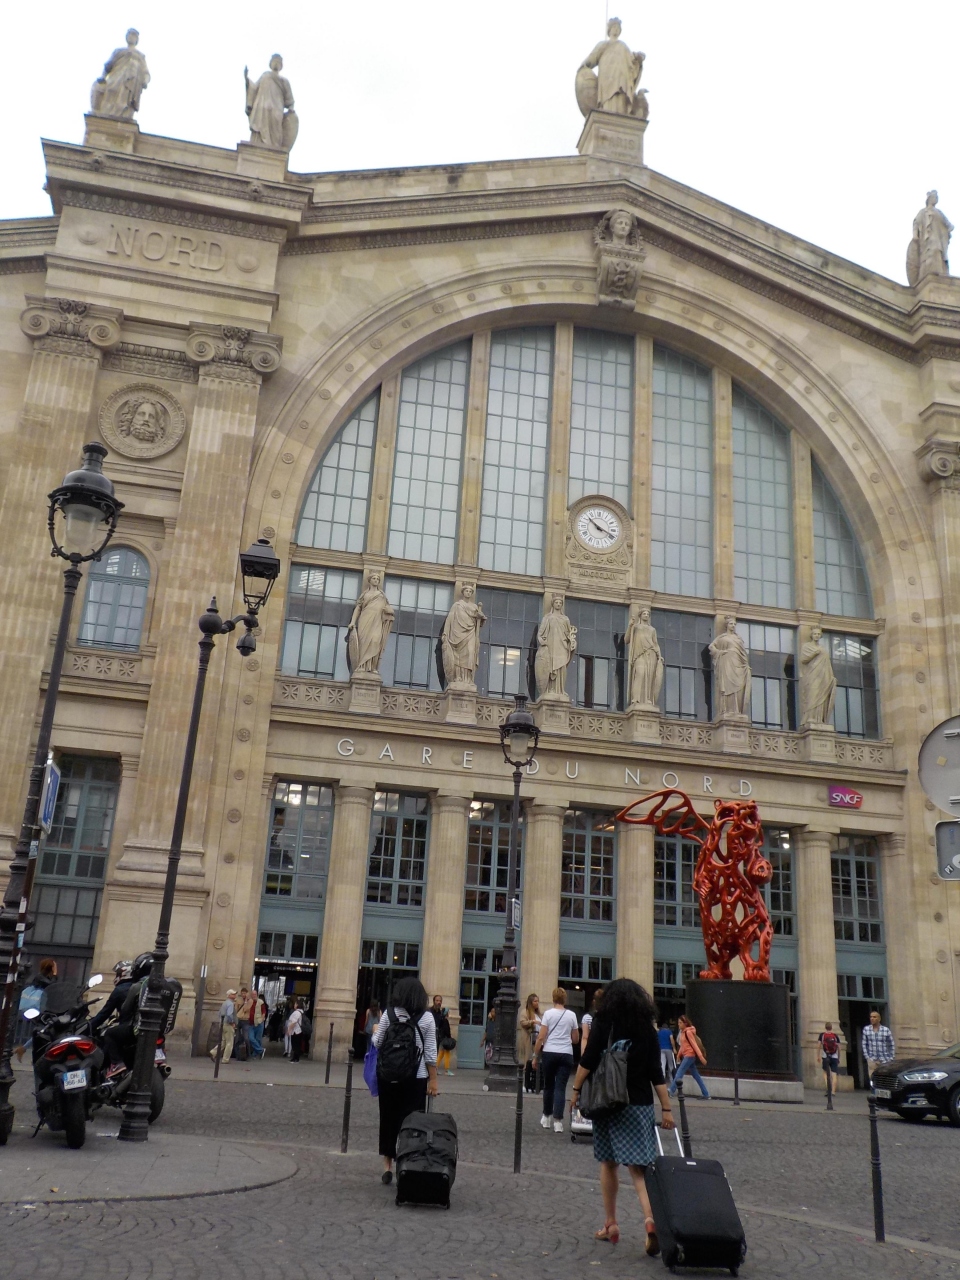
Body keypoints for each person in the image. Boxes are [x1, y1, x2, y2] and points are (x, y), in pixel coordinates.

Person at [571, 978, 675, 1256]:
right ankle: (651, 1221)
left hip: (609, 1102)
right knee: (638, 1170)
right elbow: (656, 1073)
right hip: (639, 1104)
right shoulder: (647, 1029)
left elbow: (588, 1060)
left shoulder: (604, 1022)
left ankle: (611, 1223)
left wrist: (576, 1090)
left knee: (608, 1163)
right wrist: (666, 1109)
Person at [372, 976, 438, 1185]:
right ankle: (407, 1163)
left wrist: (375, 1032)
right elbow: (430, 1052)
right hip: (416, 1077)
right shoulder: (427, 1018)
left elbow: (378, 1043)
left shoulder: (389, 1014)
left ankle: (387, 1166)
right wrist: (433, 1081)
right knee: (412, 1123)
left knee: (388, 1119)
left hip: (389, 1076)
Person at [532, 988, 579, 1133]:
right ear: (565, 999)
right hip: (566, 1053)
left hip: (550, 1052)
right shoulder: (571, 1015)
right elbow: (576, 1039)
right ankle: (558, 1122)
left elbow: (541, 1037)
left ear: (553, 998)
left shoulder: (548, 1014)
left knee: (549, 1086)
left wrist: (535, 1056)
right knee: (560, 1087)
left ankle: (546, 1117)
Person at [14, 958, 58, 1062]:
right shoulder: (40, 977)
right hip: (36, 1009)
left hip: (43, 1008)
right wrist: (55, 974)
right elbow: (53, 986)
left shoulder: (46, 977)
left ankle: (24, 1049)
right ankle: (34, 1055)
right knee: (43, 1030)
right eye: (54, 966)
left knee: (43, 1030)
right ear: (50, 967)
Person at [668, 1015, 710, 1100]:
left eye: (680, 1023)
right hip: (688, 1056)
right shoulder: (683, 1032)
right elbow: (683, 1046)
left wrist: (701, 1057)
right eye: (678, 1022)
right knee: (696, 1076)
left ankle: (671, 1090)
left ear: (685, 1023)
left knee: (679, 1072)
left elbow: (694, 1045)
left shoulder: (688, 1032)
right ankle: (706, 1094)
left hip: (689, 1056)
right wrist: (679, 1055)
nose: (678, 1024)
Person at [90, 959, 134, 1033]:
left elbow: (105, 1013)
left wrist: (90, 1026)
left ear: (124, 974)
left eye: (118, 974)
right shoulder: (138, 985)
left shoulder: (120, 990)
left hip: (128, 1027)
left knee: (108, 1034)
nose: (116, 976)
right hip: (137, 1025)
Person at [861, 1010, 895, 1087]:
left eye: (874, 1017)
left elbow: (891, 1044)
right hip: (872, 1059)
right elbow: (864, 1044)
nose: (872, 1018)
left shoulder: (886, 1030)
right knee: (873, 1080)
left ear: (879, 1019)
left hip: (885, 1059)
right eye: (871, 1017)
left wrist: (891, 1057)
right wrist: (868, 1057)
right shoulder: (866, 1029)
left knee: (884, 1080)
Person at [520, 993, 542, 1093]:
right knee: (528, 1061)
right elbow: (522, 1023)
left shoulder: (538, 1014)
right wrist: (532, 1022)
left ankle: (535, 1085)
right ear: (531, 1002)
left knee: (536, 1062)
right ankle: (526, 1084)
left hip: (537, 1040)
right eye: (535, 1001)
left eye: (537, 1001)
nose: (537, 1003)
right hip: (529, 1039)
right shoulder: (525, 1012)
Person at [209, 988, 237, 1064]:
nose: (235, 995)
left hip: (222, 1024)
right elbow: (229, 1014)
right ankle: (225, 1059)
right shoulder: (230, 1004)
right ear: (229, 995)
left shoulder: (224, 1003)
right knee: (229, 1042)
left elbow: (219, 1013)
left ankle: (213, 1052)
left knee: (223, 1041)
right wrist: (232, 1022)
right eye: (233, 994)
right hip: (228, 1024)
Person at [431, 995, 454, 1076]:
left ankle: (434, 1069)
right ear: (434, 1001)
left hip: (438, 1036)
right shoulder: (429, 1012)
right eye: (437, 1000)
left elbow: (441, 1026)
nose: (439, 1002)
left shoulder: (440, 1014)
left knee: (436, 1053)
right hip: (431, 1034)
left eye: (440, 1001)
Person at [581, 990, 603, 1055]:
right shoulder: (609, 1017)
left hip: (591, 1051)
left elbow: (585, 1037)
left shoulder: (587, 1017)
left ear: (594, 1002)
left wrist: (583, 1054)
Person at [657, 1018, 677, 1084]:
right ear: (667, 1027)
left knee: (662, 1063)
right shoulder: (669, 1032)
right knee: (670, 1064)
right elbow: (672, 1040)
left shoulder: (659, 1032)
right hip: (668, 1049)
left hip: (661, 1049)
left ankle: (663, 1078)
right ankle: (671, 1078)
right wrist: (674, 1048)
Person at [249, 991, 267, 1058]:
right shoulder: (249, 1002)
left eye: (255, 994)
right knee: (251, 1038)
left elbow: (264, 1012)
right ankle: (261, 1050)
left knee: (258, 1039)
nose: (254, 995)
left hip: (259, 1022)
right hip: (251, 1023)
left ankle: (255, 1054)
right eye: (253, 994)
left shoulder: (261, 1002)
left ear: (257, 995)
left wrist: (261, 1019)